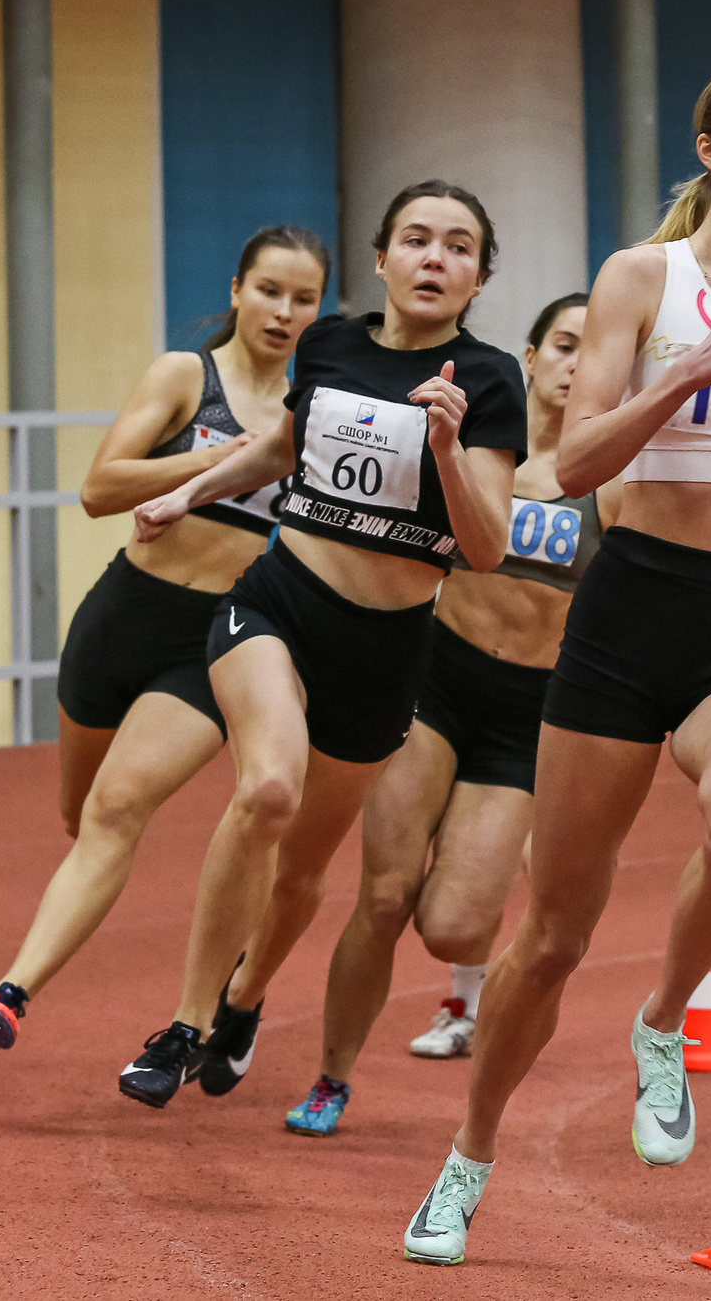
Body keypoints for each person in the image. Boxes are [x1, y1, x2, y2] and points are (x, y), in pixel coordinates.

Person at [403, 58, 711, 1265]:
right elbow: (567, 470)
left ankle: (664, 1020)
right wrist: (681, 376)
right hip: (629, 614)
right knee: (553, 935)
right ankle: (468, 1155)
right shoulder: (641, 279)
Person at [113, 181, 528, 1114]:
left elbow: (489, 546)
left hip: (384, 650)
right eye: (416, 239)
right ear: (381, 258)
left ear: (479, 276)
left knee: (302, 868)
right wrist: (187, 492)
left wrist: (451, 446)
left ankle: (244, 1000)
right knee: (266, 787)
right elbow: (280, 450)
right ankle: (182, 1023)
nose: (435, 257)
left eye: (458, 247)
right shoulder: (333, 342)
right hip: (279, 602)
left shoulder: (491, 379)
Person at [0, 225, 329, 1051]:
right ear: (237, 290)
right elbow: (100, 487)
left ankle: (13, 991)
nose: (283, 311)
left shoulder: (310, 411)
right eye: (269, 290)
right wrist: (228, 459)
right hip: (123, 616)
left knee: (118, 806)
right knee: (78, 813)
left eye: (303, 299)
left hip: (210, 642)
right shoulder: (183, 376)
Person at [284, 291, 617, 1138]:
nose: (579, 362)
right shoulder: (479, 442)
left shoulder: (609, 479)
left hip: (528, 714)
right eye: (564, 344)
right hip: (436, 683)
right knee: (386, 895)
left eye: (595, 347)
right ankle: (331, 1077)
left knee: (455, 922)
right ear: (532, 358)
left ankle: (466, 986)